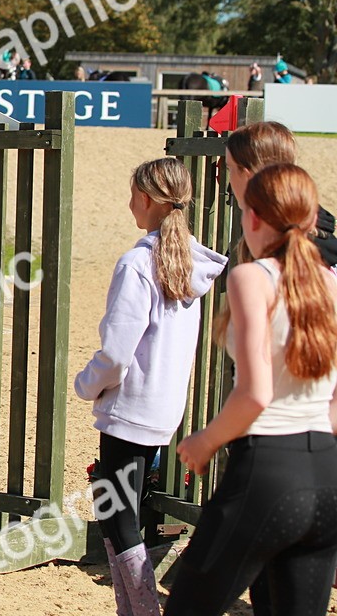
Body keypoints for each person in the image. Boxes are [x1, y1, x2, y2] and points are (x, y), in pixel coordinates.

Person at [164, 163, 337, 615]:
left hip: (267, 469)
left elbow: (256, 394)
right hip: (327, 472)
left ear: (254, 217)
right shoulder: (330, 283)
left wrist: (205, 440)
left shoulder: (252, 277)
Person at [75, 157, 226, 616]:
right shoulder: (190, 263)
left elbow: (118, 352)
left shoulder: (138, 263)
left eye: (132, 195)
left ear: (145, 198)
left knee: (118, 520)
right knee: (122, 515)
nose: (128, 205)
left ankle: (142, 611)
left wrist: (87, 383)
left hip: (129, 410)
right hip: (164, 408)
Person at [225, 121, 337, 269]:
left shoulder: (278, 243)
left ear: (247, 175)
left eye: (229, 169)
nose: (229, 179)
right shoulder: (311, 232)